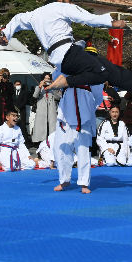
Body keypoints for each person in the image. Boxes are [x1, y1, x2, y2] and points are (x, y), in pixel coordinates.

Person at [0, 0, 132, 98]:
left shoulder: (35, 14)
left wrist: (6, 33)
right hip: (67, 53)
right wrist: (112, 23)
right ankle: (65, 81)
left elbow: (18, 19)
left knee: (105, 66)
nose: (71, 3)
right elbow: (88, 18)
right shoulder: (61, 6)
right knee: (102, 72)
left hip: (61, 56)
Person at [53, 60, 102, 192]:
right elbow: (55, 79)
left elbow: (98, 95)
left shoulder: (92, 70)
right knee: (61, 146)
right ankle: (64, 179)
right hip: (66, 109)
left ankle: (84, 182)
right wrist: (60, 65)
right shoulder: (64, 68)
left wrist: (89, 109)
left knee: (83, 148)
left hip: (84, 110)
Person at [32, 72, 60, 144]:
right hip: (42, 112)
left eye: (49, 79)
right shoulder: (39, 88)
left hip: (51, 111)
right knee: (41, 130)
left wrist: (53, 86)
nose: (47, 80)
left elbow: (58, 97)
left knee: (51, 129)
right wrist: (40, 86)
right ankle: (41, 144)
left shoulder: (54, 88)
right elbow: (35, 96)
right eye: (45, 78)